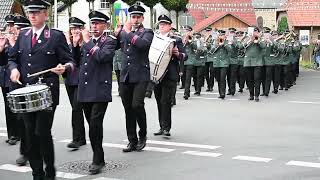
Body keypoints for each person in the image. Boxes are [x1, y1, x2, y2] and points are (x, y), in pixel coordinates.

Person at [7, 0, 74, 179]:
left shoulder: (55, 36)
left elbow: (70, 60)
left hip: (47, 94)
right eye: (30, 13)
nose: (33, 16)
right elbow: (12, 58)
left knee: (41, 132)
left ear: (46, 14)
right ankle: (37, 173)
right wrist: (14, 69)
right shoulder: (23, 35)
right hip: (26, 94)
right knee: (29, 134)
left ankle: (49, 170)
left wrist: (64, 67)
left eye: (37, 12)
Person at [76, 10, 117, 174]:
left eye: (98, 23)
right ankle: (99, 156)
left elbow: (102, 57)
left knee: (95, 124)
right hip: (85, 88)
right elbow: (75, 61)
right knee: (91, 125)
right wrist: (74, 44)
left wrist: (86, 42)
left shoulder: (109, 41)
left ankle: (97, 159)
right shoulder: (85, 42)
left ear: (105, 25)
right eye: (92, 23)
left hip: (100, 89)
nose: (94, 26)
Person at [115, 4, 154, 153]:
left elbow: (143, 45)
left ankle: (142, 135)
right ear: (129, 18)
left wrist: (128, 32)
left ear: (143, 18)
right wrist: (116, 34)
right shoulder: (124, 32)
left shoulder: (147, 32)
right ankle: (132, 140)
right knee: (128, 109)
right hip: (125, 75)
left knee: (137, 105)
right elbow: (113, 47)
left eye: (138, 17)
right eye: (133, 17)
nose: (135, 19)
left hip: (140, 75)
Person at [153, 14, 186, 137]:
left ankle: (167, 127)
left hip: (169, 74)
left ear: (170, 26)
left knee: (165, 101)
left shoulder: (175, 39)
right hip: (157, 75)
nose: (162, 26)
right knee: (158, 101)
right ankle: (161, 126)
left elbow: (185, 55)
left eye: (164, 24)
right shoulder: (154, 38)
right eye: (160, 24)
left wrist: (178, 54)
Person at [64, 17, 86, 150]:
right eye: (72, 29)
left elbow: (77, 60)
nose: (74, 31)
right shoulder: (67, 44)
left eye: (77, 28)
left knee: (76, 109)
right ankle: (81, 137)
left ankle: (77, 138)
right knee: (75, 109)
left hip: (81, 80)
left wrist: (75, 44)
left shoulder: (84, 44)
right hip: (69, 80)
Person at [0, 14, 19, 145]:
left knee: (15, 104)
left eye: (12, 25)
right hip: (4, 76)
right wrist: (2, 47)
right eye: (8, 25)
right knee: (7, 106)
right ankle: (12, 133)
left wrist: (11, 43)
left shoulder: (19, 39)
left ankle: (18, 133)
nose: (10, 28)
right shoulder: (5, 40)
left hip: (15, 76)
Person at [243, 27, 266, 102]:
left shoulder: (261, 39)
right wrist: (250, 40)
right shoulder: (246, 38)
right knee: (249, 80)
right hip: (248, 62)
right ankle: (251, 95)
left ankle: (257, 95)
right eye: (254, 31)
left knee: (257, 79)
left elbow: (263, 46)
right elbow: (241, 46)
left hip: (257, 62)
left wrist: (258, 40)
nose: (255, 33)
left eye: (256, 31)